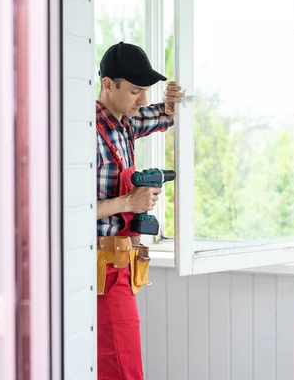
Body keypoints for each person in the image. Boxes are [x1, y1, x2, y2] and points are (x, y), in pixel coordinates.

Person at [95, 41, 183, 380]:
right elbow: (66, 211)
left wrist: (173, 105)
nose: (142, 100)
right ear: (108, 84)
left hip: (124, 266)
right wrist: (129, 203)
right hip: (102, 269)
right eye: (135, 91)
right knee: (122, 368)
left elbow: (160, 115)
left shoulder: (124, 123)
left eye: (145, 92)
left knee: (116, 364)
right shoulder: (82, 133)